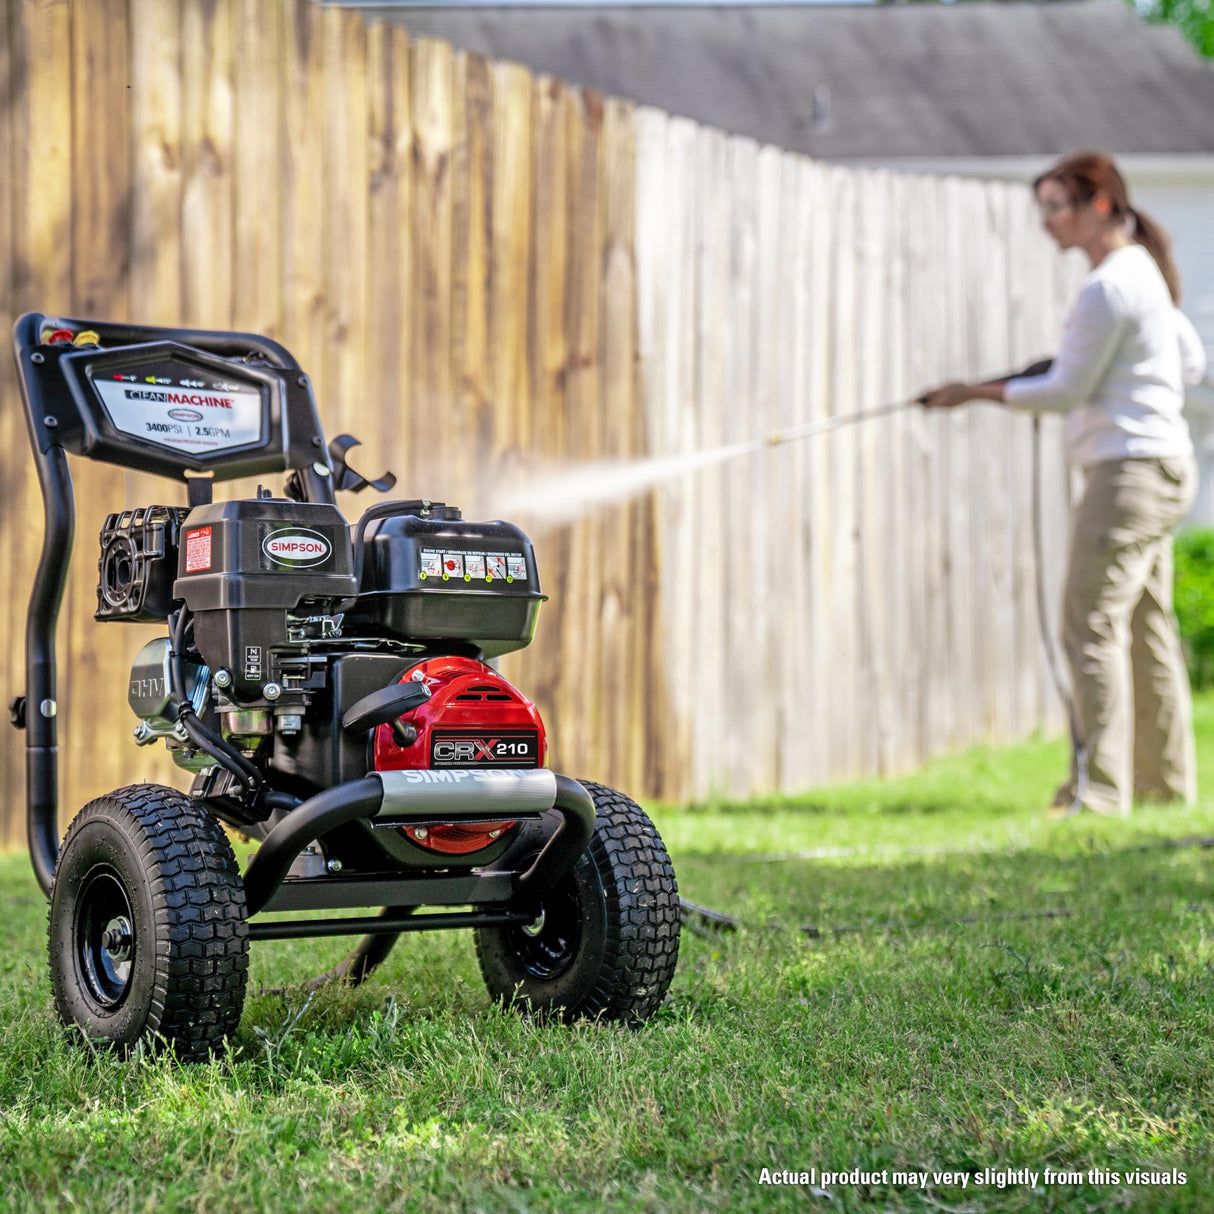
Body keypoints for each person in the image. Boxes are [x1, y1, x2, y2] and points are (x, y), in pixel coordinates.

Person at [921, 151, 1207, 817]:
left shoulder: (1108, 287)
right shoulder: (1146, 276)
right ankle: (1165, 786)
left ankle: (1100, 791)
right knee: (1145, 626)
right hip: (1165, 467)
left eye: (1058, 205)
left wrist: (972, 392)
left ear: (1100, 205)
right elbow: (1187, 360)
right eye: (1044, 207)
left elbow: (1066, 389)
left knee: (1090, 624)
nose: (1048, 222)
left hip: (1127, 475)